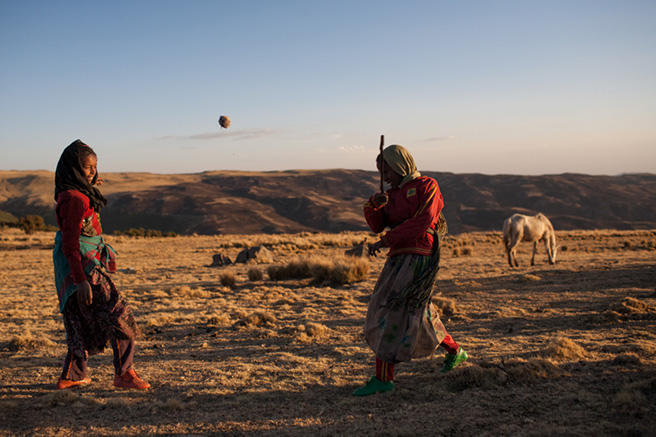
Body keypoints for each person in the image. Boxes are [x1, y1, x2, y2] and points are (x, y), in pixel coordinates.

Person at [353, 144, 468, 396]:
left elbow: (424, 221)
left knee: (391, 308)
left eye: (387, 171)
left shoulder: (428, 185)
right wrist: (374, 203)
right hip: (398, 256)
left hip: (419, 256)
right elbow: (377, 225)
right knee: (417, 310)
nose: (385, 178)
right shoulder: (392, 194)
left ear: (400, 164)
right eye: (381, 173)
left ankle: (384, 379)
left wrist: (387, 240)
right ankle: (456, 351)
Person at [52, 139, 150, 390]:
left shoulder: (71, 193)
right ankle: (124, 374)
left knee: (78, 318)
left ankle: (72, 376)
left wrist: (90, 185)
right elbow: (72, 243)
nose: (93, 171)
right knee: (119, 315)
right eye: (87, 167)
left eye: (95, 166)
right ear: (74, 168)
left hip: (73, 265)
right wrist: (81, 280)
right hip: (83, 266)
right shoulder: (75, 198)